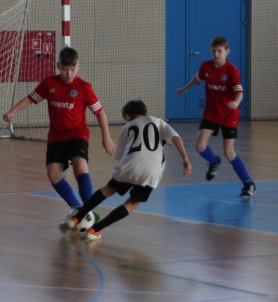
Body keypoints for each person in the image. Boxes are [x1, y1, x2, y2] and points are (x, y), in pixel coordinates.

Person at [3, 47, 116, 216]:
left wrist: (106, 137)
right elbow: (31, 98)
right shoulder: (49, 83)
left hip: (78, 133)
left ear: (78, 66)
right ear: (58, 66)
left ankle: (89, 211)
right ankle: (76, 209)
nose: (68, 73)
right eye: (64, 69)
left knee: (80, 167)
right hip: (56, 136)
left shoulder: (84, 87)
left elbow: (99, 112)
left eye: (72, 69)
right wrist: (13, 110)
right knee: (53, 174)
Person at [61, 99, 191, 241]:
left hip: (129, 165)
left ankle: (76, 218)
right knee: (131, 203)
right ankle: (94, 230)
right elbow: (176, 138)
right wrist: (185, 158)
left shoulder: (128, 126)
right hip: (151, 172)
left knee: (108, 190)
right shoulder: (159, 122)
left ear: (127, 116)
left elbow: (121, 155)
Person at [176, 36, 256, 197]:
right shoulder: (206, 66)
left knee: (229, 152)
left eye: (219, 51)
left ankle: (248, 183)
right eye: (213, 51)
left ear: (227, 51)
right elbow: (198, 79)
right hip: (211, 113)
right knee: (200, 145)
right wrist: (185, 88)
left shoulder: (232, 70)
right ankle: (214, 161)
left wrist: (236, 102)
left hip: (229, 115)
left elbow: (239, 91)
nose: (216, 54)